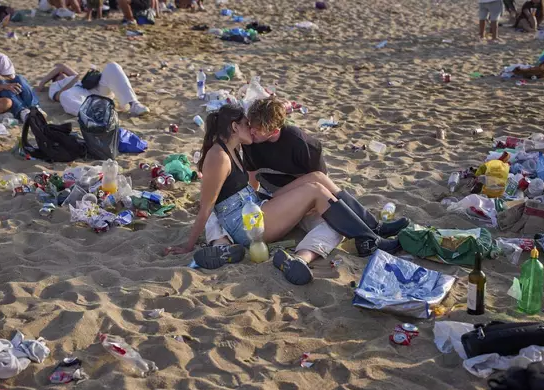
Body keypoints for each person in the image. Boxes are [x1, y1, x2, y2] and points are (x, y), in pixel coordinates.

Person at [167, 102, 407, 285]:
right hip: (245, 224)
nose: (251, 128)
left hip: (253, 208)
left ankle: (372, 230)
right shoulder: (218, 156)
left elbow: (249, 184)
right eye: (246, 124)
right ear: (234, 127)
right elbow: (206, 207)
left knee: (317, 179)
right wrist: (188, 246)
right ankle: (370, 241)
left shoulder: (235, 148)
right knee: (315, 191)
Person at [36, 62, 149, 117]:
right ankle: (95, 115)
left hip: (95, 90)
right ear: (54, 78)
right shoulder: (55, 85)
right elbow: (57, 97)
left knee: (112, 66)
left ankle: (134, 104)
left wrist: (78, 77)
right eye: (58, 75)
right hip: (79, 97)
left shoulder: (73, 77)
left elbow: (62, 66)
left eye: (62, 73)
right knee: (64, 96)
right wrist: (43, 82)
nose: (61, 74)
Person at [0, 50, 43, 122]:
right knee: (3, 85)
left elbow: (11, 78)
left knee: (19, 78)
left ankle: (34, 107)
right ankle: (22, 111)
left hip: (7, 89)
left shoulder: (0, 58)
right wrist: (3, 85)